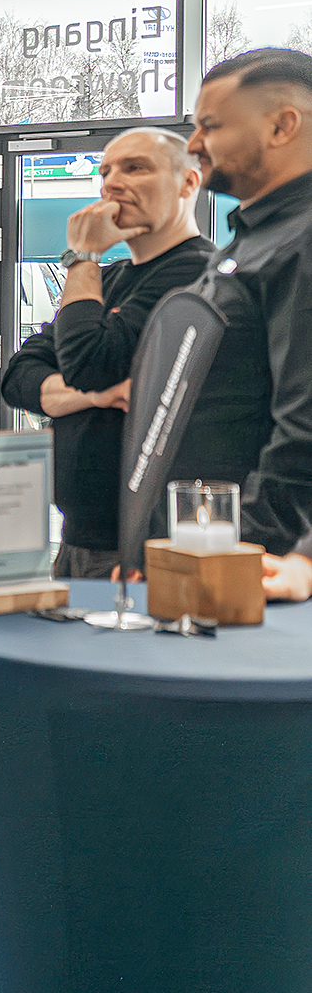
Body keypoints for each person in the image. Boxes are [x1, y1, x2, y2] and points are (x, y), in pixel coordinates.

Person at [0, 129, 210, 578]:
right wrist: (95, 397)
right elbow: (18, 375)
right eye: (106, 171)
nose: (112, 183)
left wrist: (83, 256)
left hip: (143, 545)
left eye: (135, 168)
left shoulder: (197, 274)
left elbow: (89, 362)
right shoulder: (109, 279)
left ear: (189, 182)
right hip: (76, 536)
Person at [145, 51, 312, 611]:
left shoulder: (302, 243)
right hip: (202, 546)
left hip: (252, 569)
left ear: (282, 126)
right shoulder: (252, 239)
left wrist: (249, 550)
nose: (194, 144)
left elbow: (304, 424)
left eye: (211, 126)